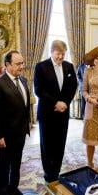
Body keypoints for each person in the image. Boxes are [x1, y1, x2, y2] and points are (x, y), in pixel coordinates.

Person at [0, 50, 31, 195]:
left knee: (16, 165)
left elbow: (24, 106)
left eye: (22, 63)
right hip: (5, 137)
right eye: (18, 64)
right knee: (3, 168)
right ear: (7, 65)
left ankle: (13, 190)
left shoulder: (23, 80)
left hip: (20, 133)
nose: (22, 66)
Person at [34, 40, 77, 183]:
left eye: (63, 54)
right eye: (58, 54)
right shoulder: (40, 67)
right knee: (47, 146)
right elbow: (39, 90)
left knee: (60, 144)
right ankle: (48, 175)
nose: (60, 57)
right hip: (47, 113)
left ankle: (56, 173)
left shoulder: (69, 67)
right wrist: (55, 103)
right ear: (52, 52)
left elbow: (73, 87)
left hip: (63, 113)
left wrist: (65, 102)